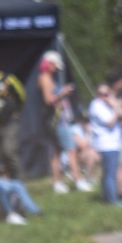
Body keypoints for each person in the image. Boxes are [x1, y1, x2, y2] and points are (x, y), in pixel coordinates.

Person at [36, 52, 93, 192]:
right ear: (49, 64)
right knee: (71, 150)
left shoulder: (47, 77)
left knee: (56, 152)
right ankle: (79, 181)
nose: (56, 69)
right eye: (55, 66)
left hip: (56, 120)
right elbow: (48, 100)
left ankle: (57, 183)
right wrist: (63, 92)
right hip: (58, 120)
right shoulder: (45, 78)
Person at [90, 72, 122, 205]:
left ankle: (108, 197)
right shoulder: (100, 104)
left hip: (113, 140)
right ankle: (117, 197)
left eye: (106, 94)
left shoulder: (106, 102)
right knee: (117, 170)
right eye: (103, 94)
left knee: (111, 172)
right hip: (110, 142)